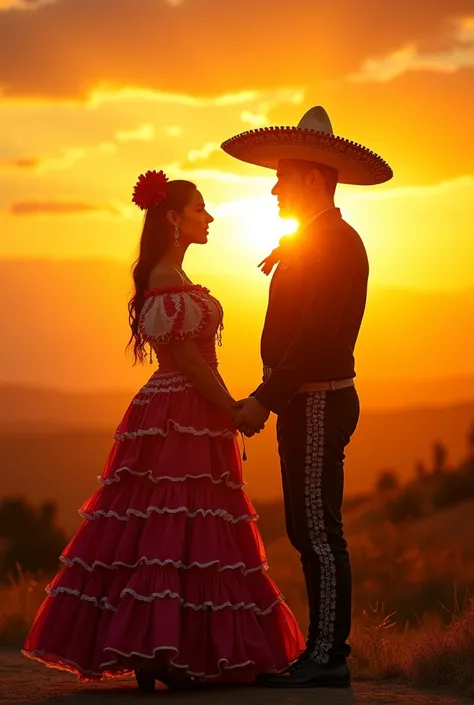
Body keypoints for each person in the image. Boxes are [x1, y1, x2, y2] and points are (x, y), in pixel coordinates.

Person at [22, 170, 305, 692]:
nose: (210, 217)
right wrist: (232, 408)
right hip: (182, 409)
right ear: (173, 217)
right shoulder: (162, 277)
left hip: (184, 408)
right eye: (200, 208)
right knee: (170, 527)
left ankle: (171, 654)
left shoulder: (170, 274)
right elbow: (188, 363)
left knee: (183, 528)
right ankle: (164, 651)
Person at [221, 106, 393, 688]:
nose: (273, 188)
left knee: (317, 530)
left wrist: (265, 398)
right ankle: (321, 651)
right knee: (305, 528)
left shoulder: (336, 243)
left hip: (318, 401)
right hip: (305, 401)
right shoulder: (319, 239)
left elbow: (315, 337)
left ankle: (328, 655)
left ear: (314, 179)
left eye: (283, 177)